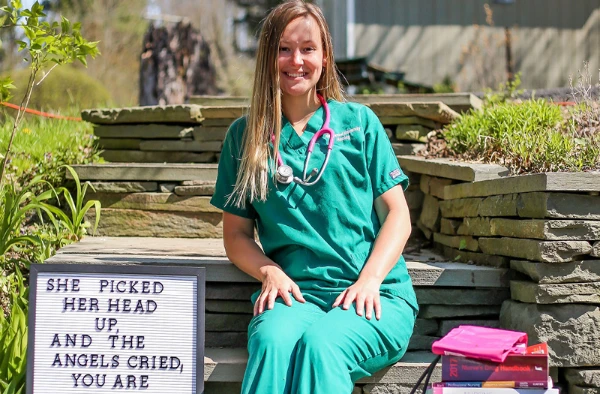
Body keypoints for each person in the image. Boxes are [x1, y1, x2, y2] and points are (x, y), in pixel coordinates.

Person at [210, 1, 418, 393]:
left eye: (308, 48)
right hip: (297, 296)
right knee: (272, 343)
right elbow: (236, 235)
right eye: (284, 49)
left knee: (321, 347)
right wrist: (268, 271)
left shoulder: (359, 125)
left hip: (373, 294)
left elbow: (398, 216)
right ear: (269, 56)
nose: (296, 60)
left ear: (325, 56)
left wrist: (370, 280)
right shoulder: (244, 137)